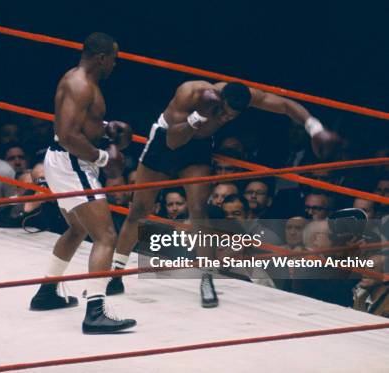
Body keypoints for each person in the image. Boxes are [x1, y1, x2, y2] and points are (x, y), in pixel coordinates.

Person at [109, 80, 340, 308]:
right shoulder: (191, 93)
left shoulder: (245, 96)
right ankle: (115, 272)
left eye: (233, 116)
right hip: (167, 140)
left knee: (199, 210)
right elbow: (172, 140)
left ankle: (207, 278)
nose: (227, 118)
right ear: (219, 99)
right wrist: (199, 116)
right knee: (139, 210)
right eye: (224, 112)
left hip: (197, 148)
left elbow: (285, 106)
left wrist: (315, 128)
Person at [28, 32, 136, 334]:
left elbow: (78, 125)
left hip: (63, 160)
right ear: (102, 58)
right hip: (71, 162)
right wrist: (103, 158)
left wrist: (105, 128)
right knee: (105, 235)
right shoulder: (80, 85)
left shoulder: (79, 80)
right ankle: (96, 312)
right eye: (114, 58)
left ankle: (47, 292)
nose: (116, 63)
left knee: (77, 228)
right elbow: (67, 134)